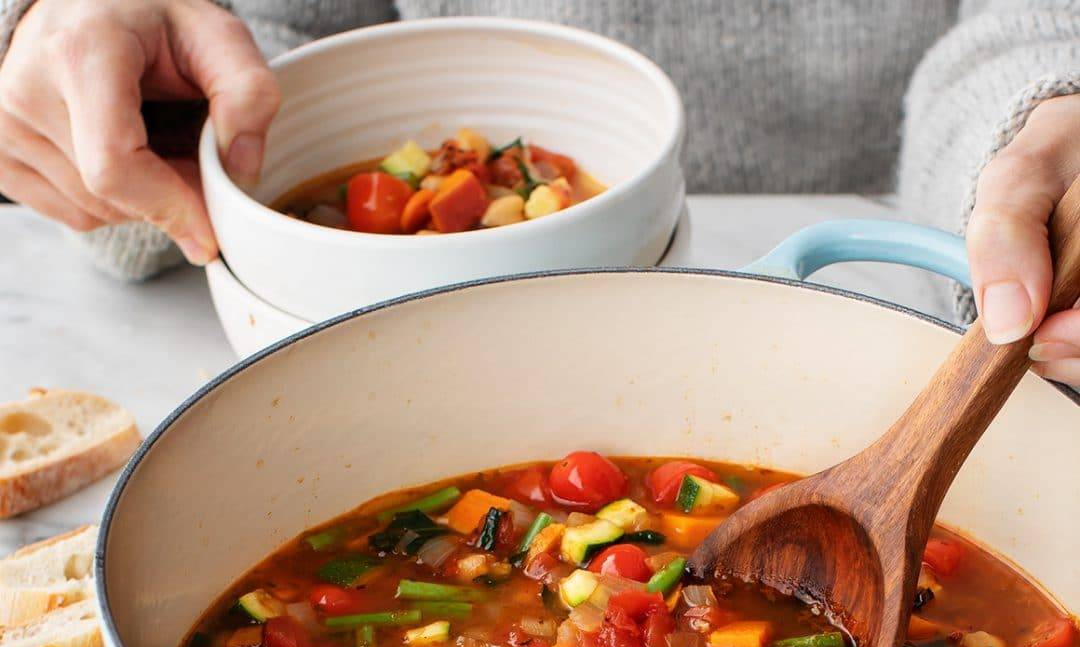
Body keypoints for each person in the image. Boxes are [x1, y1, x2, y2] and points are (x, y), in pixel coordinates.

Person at [1, 0, 1079, 388]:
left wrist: (1042, 142)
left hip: (888, 289)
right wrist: (79, 58)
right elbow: (273, 36)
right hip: (293, 344)